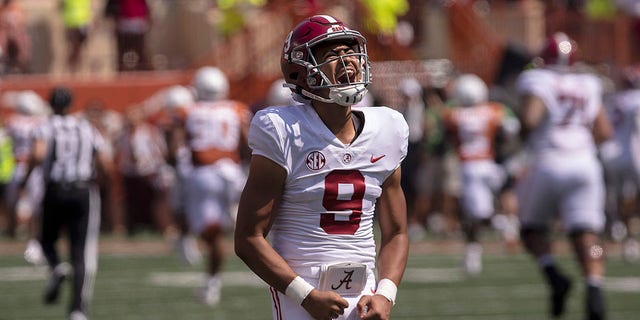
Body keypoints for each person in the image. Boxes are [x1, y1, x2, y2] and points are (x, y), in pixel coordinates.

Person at [234, 15, 409, 320]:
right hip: (301, 292)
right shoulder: (283, 130)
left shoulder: (387, 128)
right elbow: (248, 238)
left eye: (350, 51)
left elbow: (396, 231)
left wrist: (386, 293)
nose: (348, 61)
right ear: (300, 72)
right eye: (332, 53)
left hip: (366, 296)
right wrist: (305, 295)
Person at [515, 32, 612, 320]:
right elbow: (604, 132)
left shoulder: (539, 80)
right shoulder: (588, 83)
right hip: (585, 164)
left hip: (550, 161)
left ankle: (554, 274)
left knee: (532, 230)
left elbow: (531, 119)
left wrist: (522, 136)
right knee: (585, 233)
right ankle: (594, 289)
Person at [21, 86, 114, 320]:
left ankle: (56, 267)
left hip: (55, 190)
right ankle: (77, 310)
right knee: (79, 251)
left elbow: (39, 154)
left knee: (45, 240)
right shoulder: (86, 127)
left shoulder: (45, 126)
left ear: (50, 104)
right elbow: (104, 162)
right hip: (83, 191)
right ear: (71, 104)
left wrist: (26, 177)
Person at [169, 66, 251, 306]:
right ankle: (229, 213)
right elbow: (249, 145)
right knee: (221, 228)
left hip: (204, 175)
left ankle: (189, 241)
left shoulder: (188, 111)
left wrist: (180, 165)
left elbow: (175, 149)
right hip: (233, 174)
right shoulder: (236, 109)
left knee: (209, 231)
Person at [442, 73, 520, 275]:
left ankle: (504, 227)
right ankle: (501, 230)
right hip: (490, 164)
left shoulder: (454, 114)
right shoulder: (495, 110)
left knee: (476, 216)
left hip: (470, 166)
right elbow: (511, 130)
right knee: (485, 209)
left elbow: (446, 137)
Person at [599, 65, 640, 262]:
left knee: (612, 195)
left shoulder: (613, 99)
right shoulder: (636, 100)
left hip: (609, 152)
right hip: (630, 153)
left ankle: (615, 227)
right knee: (630, 198)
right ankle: (629, 238)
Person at [104, 0, 152, 71]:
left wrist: (148, 17)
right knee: (122, 54)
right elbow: (109, 9)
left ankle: (144, 74)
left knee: (140, 53)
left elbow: (145, 5)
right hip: (123, 25)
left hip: (137, 25)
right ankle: (121, 74)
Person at [60, 0, 93, 73]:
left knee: (80, 48)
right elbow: (61, 6)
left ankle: (76, 69)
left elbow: (87, 7)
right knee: (75, 47)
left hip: (83, 24)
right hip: (71, 24)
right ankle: (71, 68)